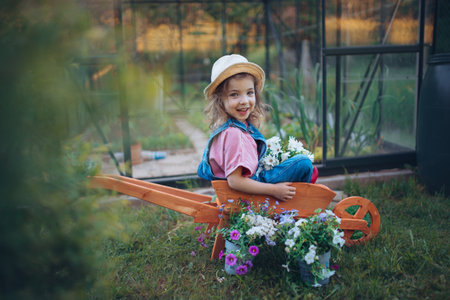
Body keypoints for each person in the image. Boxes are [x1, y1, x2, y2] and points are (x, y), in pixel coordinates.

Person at [197, 54, 318, 202]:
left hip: (256, 179)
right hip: (253, 188)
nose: (245, 101)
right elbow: (235, 181)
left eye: (249, 93)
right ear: (219, 100)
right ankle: (295, 204)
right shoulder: (234, 134)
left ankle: (295, 197)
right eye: (234, 94)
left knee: (306, 167)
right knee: (303, 163)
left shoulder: (232, 127)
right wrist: (274, 190)